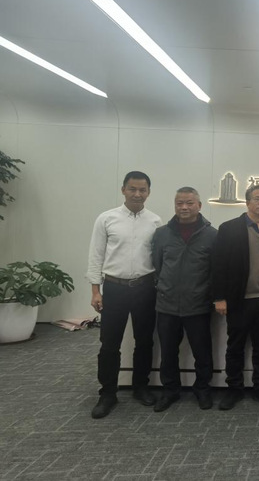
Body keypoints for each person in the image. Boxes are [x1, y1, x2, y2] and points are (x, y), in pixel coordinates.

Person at [87, 171, 162, 419]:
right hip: (114, 288)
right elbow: (96, 255)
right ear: (123, 190)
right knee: (109, 344)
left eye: (142, 190)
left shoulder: (155, 221)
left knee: (145, 341)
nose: (137, 194)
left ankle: (141, 386)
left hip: (145, 288)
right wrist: (95, 290)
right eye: (132, 189)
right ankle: (108, 393)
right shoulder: (106, 218)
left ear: (148, 192)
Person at [212, 184, 259, 410]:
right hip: (238, 301)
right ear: (248, 202)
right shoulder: (229, 229)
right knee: (235, 347)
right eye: (258, 199)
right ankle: (234, 389)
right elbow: (218, 265)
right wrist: (219, 297)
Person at [151, 187, 218, 412]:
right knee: (168, 352)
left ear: (199, 205)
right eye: (180, 203)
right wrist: (165, 287)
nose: (184, 207)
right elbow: (157, 265)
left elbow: (215, 271)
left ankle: (203, 389)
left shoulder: (212, 235)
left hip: (198, 305)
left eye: (189, 203)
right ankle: (170, 390)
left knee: (202, 352)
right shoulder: (162, 234)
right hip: (167, 304)